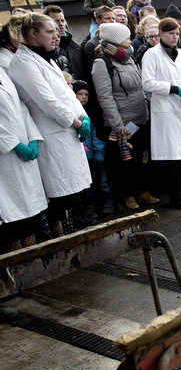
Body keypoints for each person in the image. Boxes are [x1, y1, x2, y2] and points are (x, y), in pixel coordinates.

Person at [9, 13, 93, 236]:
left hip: (68, 132)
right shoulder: (23, 63)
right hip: (54, 134)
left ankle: (71, 235)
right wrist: (76, 122)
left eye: (57, 32)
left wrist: (84, 117)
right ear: (33, 33)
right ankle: (61, 240)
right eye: (49, 32)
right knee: (60, 195)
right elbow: (47, 102)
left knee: (72, 193)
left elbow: (67, 93)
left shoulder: (47, 58)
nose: (56, 36)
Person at [92, 22, 156, 211]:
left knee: (138, 158)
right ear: (115, 40)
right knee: (123, 162)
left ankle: (141, 190)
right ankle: (126, 194)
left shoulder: (129, 58)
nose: (130, 41)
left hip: (139, 117)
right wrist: (116, 123)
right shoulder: (102, 63)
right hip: (122, 121)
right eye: (126, 38)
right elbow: (105, 97)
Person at [141, 17, 181, 210]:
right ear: (161, 34)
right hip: (165, 110)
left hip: (180, 108)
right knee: (172, 157)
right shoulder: (152, 55)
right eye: (170, 33)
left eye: (177, 33)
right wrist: (175, 89)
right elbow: (148, 83)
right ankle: (176, 196)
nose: (175, 37)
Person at [0, 64, 48, 252]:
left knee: (31, 208)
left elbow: (22, 108)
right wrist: (13, 144)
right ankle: (15, 261)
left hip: (24, 149)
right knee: (13, 212)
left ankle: (34, 259)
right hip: (6, 156)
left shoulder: (3, 73)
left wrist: (33, 138)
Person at [73, 79, 114, 215]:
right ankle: (91, 207)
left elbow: (97, 134)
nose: (84, 97)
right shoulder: (73, 113)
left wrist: (99, 151)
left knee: (103, 181)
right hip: (83, 156)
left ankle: (108, 203)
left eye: (86, 94)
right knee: (88, 185)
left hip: (96, 153)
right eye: (80, 94)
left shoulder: (93, 112)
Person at [44, 5, 87, 81]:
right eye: (56, 21)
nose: (61, 24)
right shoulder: (46, 51)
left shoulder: (77, 48)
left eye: (62, 20)